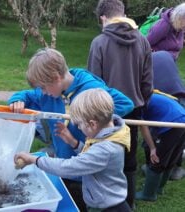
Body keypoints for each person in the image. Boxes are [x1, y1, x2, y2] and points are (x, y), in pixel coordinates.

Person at [8, 47, 134, 211]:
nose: (42, 92)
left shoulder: (90, 89)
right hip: (71, 157)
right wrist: (18, 99)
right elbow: (28, 95)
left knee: (78, 200)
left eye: (44, 87)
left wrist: (92, 114)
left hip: (86, 171)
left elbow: (126, 103)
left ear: (56, 77)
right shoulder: (48, 92)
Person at [14, 88, 132, 212]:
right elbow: (92, 157)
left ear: (93, 124)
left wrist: (34, 159)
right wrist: (73, 142)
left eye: (79, 125)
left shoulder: (106, 149)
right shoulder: (108, 136)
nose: (79, 128)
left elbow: (68, 167)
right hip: (104, 202)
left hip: (109, 208)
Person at [87, 0, 153, 208]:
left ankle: (110, 202)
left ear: (103, 18)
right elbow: (147, 83)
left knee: (104, 156)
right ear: (123, 14)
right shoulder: (143, 41)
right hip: (133, 108)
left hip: (107, 112)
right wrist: (141, 101)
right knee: (129, 156)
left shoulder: (99, 43)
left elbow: (93, 84)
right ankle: (127, 203)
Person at [136, 93, 185, 201]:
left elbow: (144, 128)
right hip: (182, 119)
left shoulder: (137, 101)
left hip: (172, 124)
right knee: (171, 158)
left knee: (156, 159)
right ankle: (159, 188)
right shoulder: (147, 94)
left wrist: (153, 148)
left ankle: (148, 194)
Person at [149, 50, 185, 180]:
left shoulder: (143, 62)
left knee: (164, 135)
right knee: (180, 136)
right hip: (180, 92)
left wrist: (152, 147)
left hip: (164, 96)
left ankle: (156, 166)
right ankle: (174, 168)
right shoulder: (165, 54)